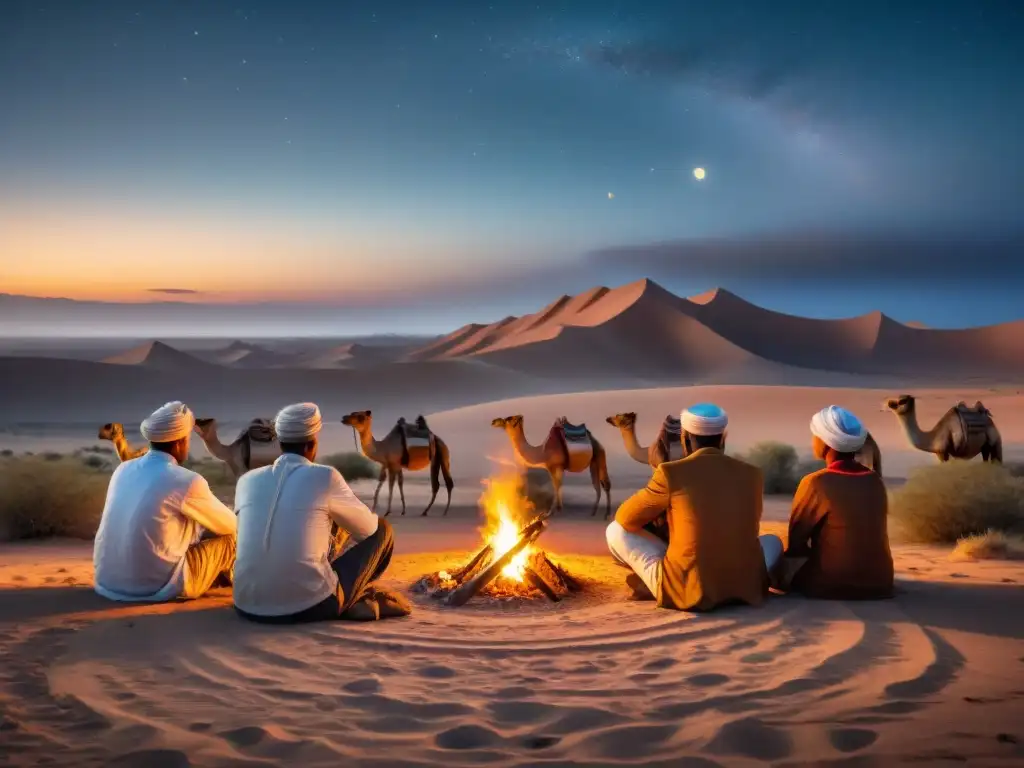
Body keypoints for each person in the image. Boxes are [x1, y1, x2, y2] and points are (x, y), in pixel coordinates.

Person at [232, 402, 409, 623]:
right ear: (313, 441)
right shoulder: (325, 477)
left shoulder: (247, 481)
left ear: (280, 441)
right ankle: (351, 598)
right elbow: (368, 530)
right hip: (309, 607)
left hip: (245, 604)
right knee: (383, 530)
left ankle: (341, 592)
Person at [606, 403, 784, 611]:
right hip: (746, 586)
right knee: (773, 541)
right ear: (723, 439)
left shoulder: (670, 473)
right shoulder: (753, 474)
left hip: (688, 590)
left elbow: (625, 517)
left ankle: (658, 582)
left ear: (685, 439)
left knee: (616, 530)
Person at [93, 401, 237, 602]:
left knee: (197, 527)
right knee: (232, 540)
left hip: (107, 583)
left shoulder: (122, 470)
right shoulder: (186, 481)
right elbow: (232, 526)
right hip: (156, 588)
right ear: (180, 442)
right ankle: (246, 584)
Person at [782, 406, 894, 599]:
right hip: (881, 583)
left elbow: (796, 544)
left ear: (826, 443)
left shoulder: (816, 482)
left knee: (773, 551)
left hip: (830, 585)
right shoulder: (875, 481)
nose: (813, 441)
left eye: (815, 436)